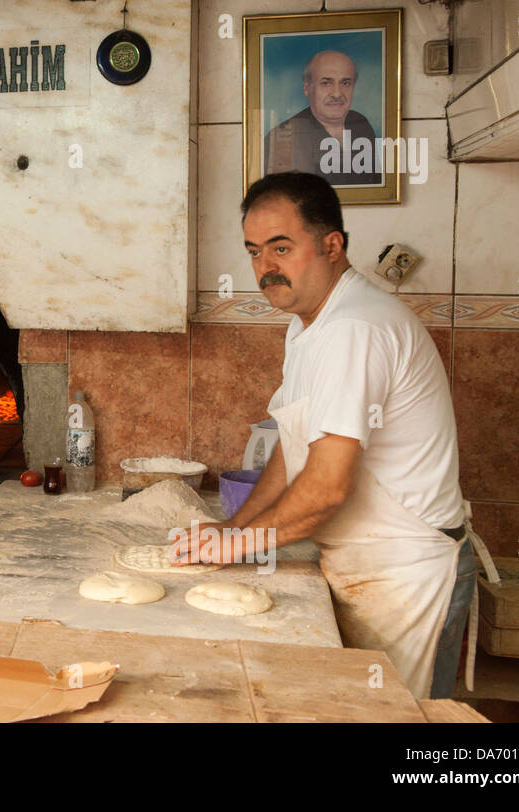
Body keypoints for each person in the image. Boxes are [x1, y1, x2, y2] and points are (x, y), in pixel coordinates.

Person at [172, 172, 479, 699]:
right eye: (253, 252)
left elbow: (329, 486)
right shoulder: (308, 325)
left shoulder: (352, 330)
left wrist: (241, 545)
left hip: (405, 578)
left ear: (331, 245)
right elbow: (294, 455)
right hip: (364, 565)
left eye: (282, 248)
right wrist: (233, 529)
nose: (265, 268)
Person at [263, 51, 377, 186]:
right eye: (326, 83)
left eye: (345, 83)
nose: (337, 93)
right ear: (307, 88)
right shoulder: (284, 136)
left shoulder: (360, 124)